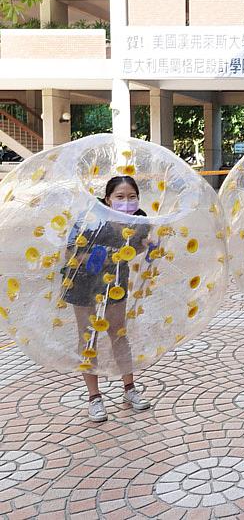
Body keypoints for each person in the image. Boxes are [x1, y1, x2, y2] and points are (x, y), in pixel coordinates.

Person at [63, 176, 152, 422]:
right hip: (82, 281)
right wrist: (99, 256)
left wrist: (148, 245)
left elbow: (135, 248)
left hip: (115, 280)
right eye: (120, 197)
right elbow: (72, 250)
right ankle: (94, 398)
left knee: (118, 333)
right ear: (108, 199)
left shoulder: (140, 221)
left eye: (132, 196)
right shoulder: (91, 219)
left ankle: (129, 389)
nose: (127, 202)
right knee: (88, 335)